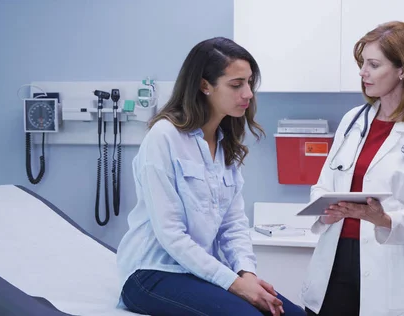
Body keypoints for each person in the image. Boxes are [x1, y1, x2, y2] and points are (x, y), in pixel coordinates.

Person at [116, 37, 305, 316]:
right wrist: (235, 285)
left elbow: (233, 225)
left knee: (293, 315)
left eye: (250, 82)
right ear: (205, 85)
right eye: (236, 84)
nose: (249, 93)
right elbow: (170, 234)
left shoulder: (224, 142)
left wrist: (247, 274)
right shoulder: (164, 137)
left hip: (199, 272)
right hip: (152, 272)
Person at [300, 21, 404, 316]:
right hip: (334, 261)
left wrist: (382, 218)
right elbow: (323, 185)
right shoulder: (352, 120)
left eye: (373, 64)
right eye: (362, 64)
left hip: (387, 267)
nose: (362, 73)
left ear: (403, 70)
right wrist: (325, 207)